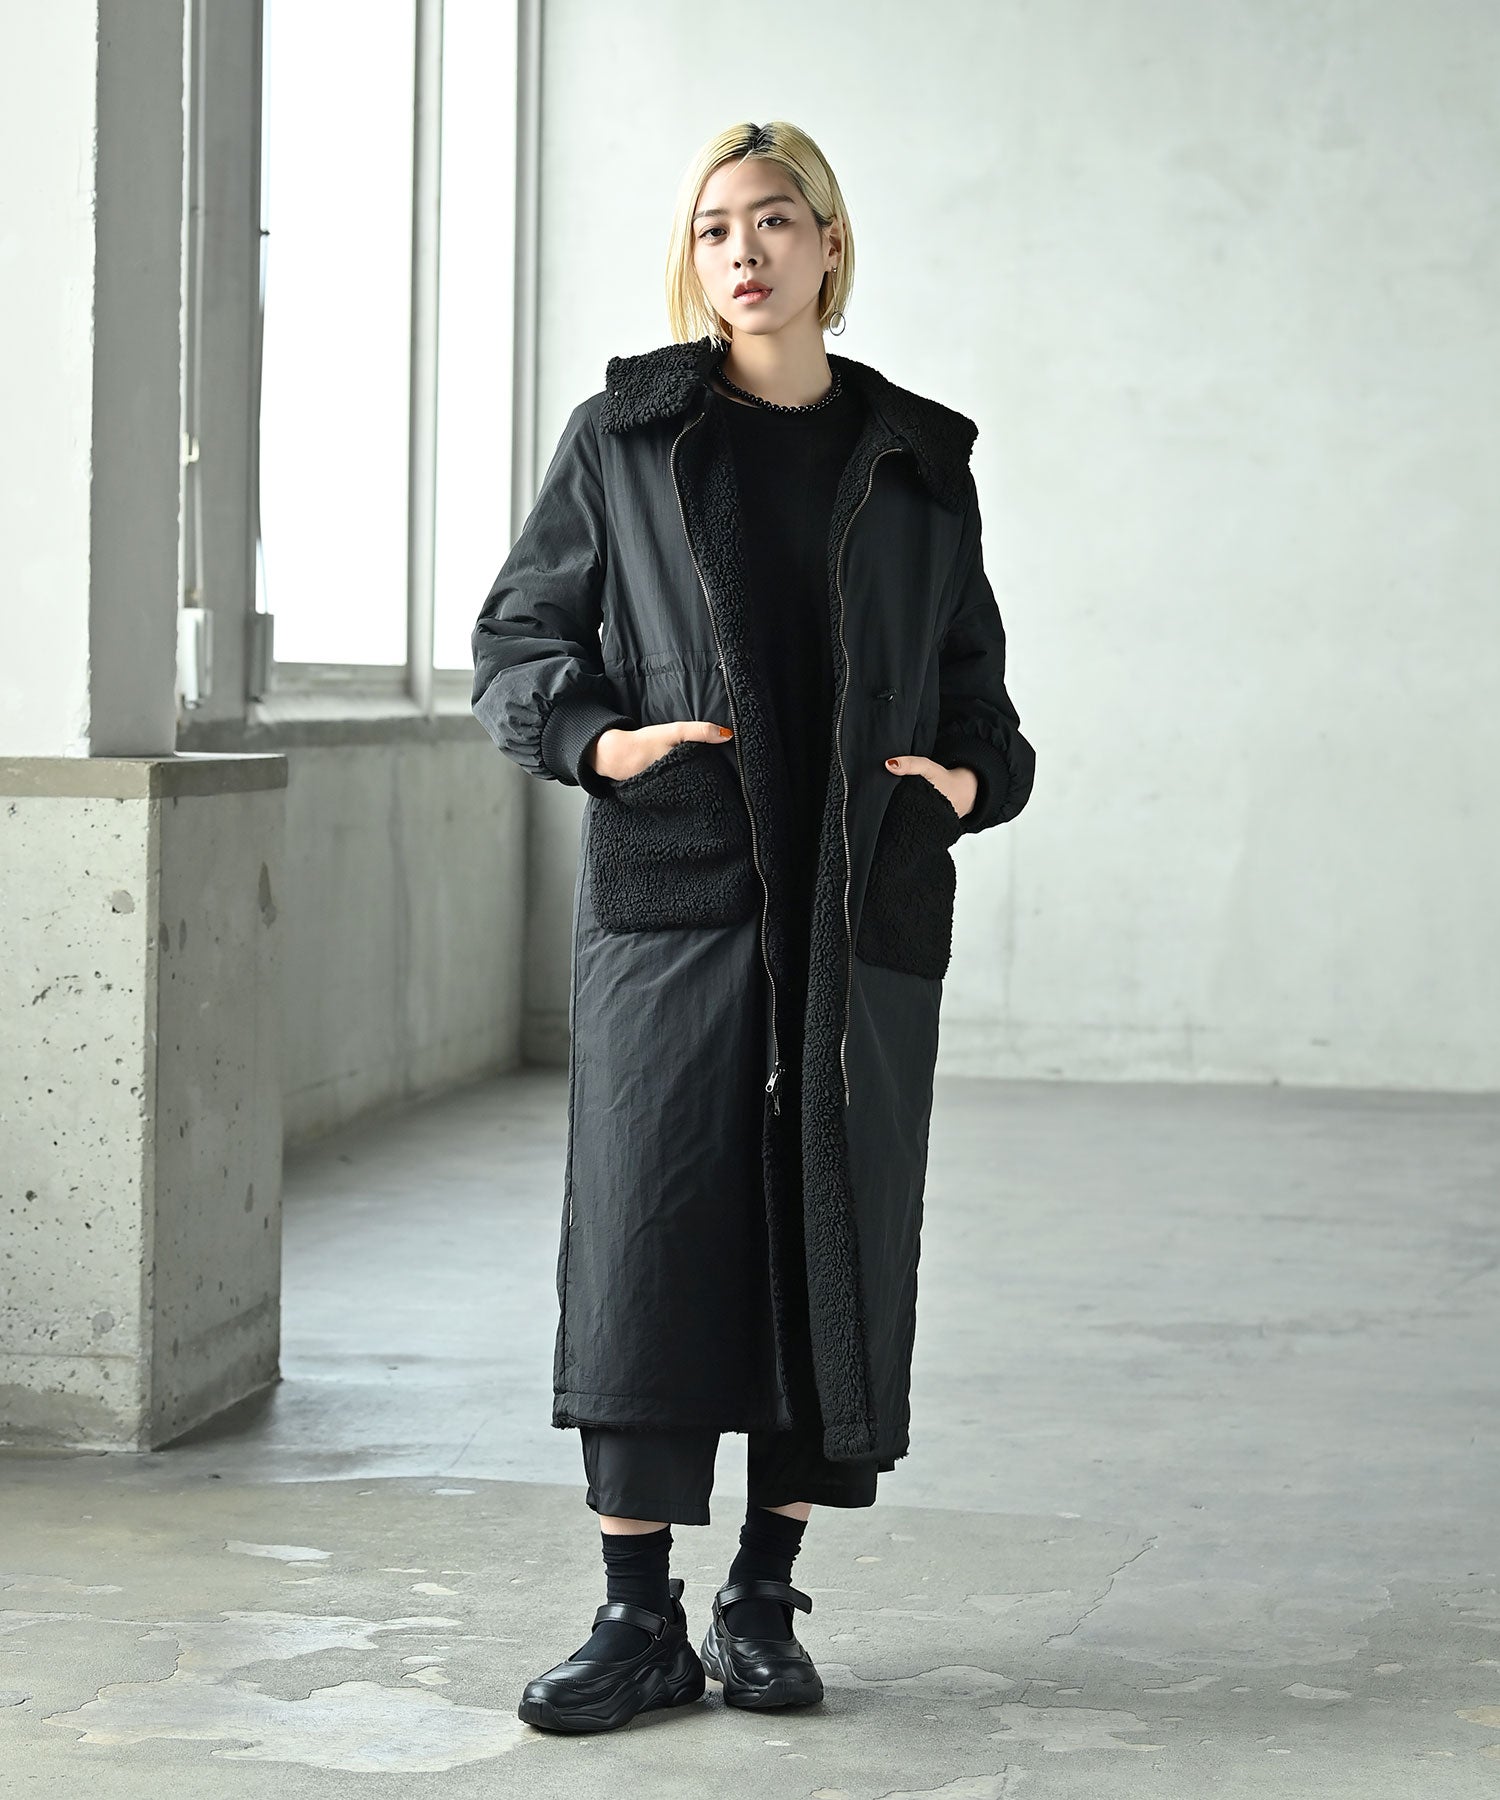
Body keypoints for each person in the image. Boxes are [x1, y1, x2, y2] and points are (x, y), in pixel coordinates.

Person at [471, 119, 1036, 1734]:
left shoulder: (919, 459)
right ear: (695, 256)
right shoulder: (627, 437)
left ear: (829, 245)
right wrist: (603, 745)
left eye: (776, 220)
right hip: (683, 892)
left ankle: (763, 1598)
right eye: (716, 226)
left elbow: (982, 696)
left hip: (856, 901)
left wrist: (963, 781)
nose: (745, 251)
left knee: (826, 1239)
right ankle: (635, 1614)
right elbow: (519, 640)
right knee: (648, 1229)